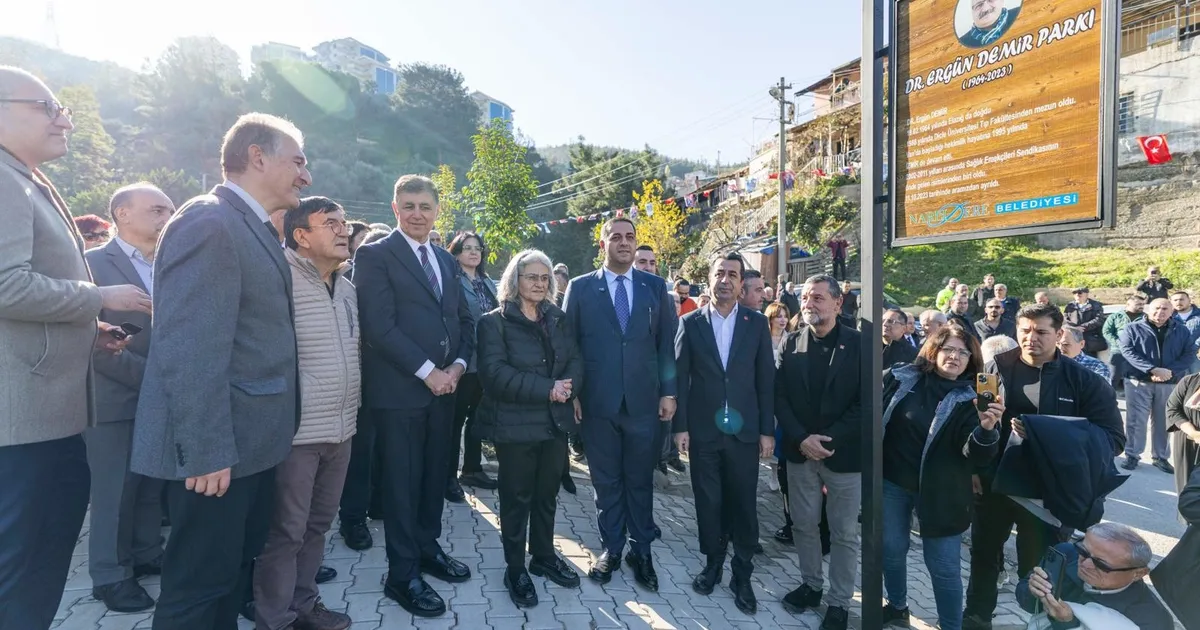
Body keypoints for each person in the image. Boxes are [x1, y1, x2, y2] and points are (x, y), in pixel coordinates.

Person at [131, 113, 310, 629]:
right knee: (197, 589)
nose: (306, 175)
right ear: (258, 156)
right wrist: (207, 450)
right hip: (216, 457)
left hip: (246, 448)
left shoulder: (247, 224)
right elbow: (189, 348)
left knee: (226, 583)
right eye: (297, 160)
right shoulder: (209, 221)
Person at [0, 67, 151, 630]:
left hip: (51, 411)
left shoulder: (25, 176)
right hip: (22, 422)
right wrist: (98, 297)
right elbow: (4, 284)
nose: (65, 117)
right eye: (47, 106)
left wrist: (91, 331)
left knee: (39, 565)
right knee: (21, 567)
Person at [354, 174, 476, 618]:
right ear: (395, 208)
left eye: (425, 206)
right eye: (409, 206)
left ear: (437, 210)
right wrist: (428, 373)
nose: (417, 214)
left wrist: (458, 367)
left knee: (431, 480)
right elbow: (378, 326)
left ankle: (427, 549)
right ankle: (401, 575)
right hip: (401, 392)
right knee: (402, 486)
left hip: (444, 391)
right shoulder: (375, 255)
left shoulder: (445, 260)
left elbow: (462, 320)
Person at [964, 303, 1125, 630]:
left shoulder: (1082, 380)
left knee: (1040, 574)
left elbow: (1113, 439)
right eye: (1024, 330)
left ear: (1059, 333)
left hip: (1049, 496)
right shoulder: (993, 370)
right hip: (994, 488)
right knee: (983, 561)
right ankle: (976, 620)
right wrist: (973, 471)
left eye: (1041, 332)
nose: (1030, 338)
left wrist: (1048, 433)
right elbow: (970, 424)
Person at [252, 197, 360, 630]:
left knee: (318, 527)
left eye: (345, 223)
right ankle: (273, 619)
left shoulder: (347, 286)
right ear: (301, 236)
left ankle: (304, 605)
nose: (343, 231)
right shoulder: (280, 280)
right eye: (330, 224)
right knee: (286, 533)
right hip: (296, 434)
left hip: (341, 428)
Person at [561, 218, 678, 592]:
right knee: (606, 481)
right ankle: (611, 548)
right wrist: (575, 392)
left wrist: (669, 392)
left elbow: (665, 346)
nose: (624, 243)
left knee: (640, 480)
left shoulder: (656, 287)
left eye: (630, 237)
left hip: (644, 402)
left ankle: (641, 551)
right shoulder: (580, 288)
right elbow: (569, 346)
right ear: (603, 243)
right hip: (597, 402)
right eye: (616, 237)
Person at [83, 183, 174, 613]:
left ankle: (145, 553)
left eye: (169, 210)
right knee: (114, 491)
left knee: (149, 483)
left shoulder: (171, 262)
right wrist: (154, 378)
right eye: (156, 210)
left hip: (161, 396)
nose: (166, 218)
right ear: (122, 214)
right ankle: (110, 575)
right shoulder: (93, 264)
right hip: (114, 398)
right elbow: (90, 342)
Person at [475, 249, 583, 608]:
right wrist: (548, 389)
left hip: (554, 424)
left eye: (544, 278)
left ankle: (543, 556)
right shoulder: (493, 322)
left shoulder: (558, 317)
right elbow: (495, 375)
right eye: (531, 277)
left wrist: (570, 386)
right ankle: (515, 567)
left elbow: (575, 358)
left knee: (546, 496)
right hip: (515, 426)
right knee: (516, 498)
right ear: (514, 280)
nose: (538, 283)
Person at [880, 326, 1003, 630]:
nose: (955, 356)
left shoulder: (973, 397)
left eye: (964, 352)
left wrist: (987, 429)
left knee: (944, 567)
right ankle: (896, 606)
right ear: (933, 350)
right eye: (949, 348)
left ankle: (950, 626)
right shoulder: (901, 378)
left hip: (943, 493)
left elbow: (975, 454)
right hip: (893, 483)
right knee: (891, 549)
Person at [673, 253, 775, 615]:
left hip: (745, 433)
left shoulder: (757, 323)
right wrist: (680, 426)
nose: (726, 280)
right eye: (720, 273)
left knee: (744, 503)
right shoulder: (690, 322)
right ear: (710, 278)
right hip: (702, 431)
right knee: (708, 501)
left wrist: (767, 431)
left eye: (732, 274)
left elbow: (766, 380)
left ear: (741, 282)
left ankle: (742, 573)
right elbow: (680, 378)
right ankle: (713, 562)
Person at [776, 274, 862, 630]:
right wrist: (801, 438)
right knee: (804, 525)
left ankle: (839, 602)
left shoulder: (862, 344)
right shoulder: (791, 342)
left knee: (843, 533)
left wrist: (825, 440)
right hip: (800, 453)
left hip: (843, 455)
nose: (809, 303)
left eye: (818, 298)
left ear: (838, 303)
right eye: (806, 297)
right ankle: (811, 584)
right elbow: (779, 396)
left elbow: (865, 403)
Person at [1017, 523, 1173, 629]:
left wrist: (1068, 622)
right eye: (1083, 552)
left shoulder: (1152, 621)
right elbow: (1025, 601)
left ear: (1138, 573)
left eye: (1102, 565)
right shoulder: (1066, 555)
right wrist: (1033, 591)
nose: (1085, 564)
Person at [446, 232, 499, 500]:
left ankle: (472, 469)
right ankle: (448, 476)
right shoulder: (452, 281)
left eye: (477, 248)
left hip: (488, 362)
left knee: (477, 418)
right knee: (455, 420)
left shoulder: (488, 281)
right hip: (464, 360)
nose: (473, 253)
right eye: (467, 248)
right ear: (455, 253)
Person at [1119, 297, 1193, 474]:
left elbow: (1189, 354)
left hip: (1169, 382)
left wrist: (1168, 372)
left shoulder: (1181, 330)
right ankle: (1132, 455)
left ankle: (1160, 457)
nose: (1160, 312)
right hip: (1139, 380)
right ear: (1147, 309)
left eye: (1165, 309)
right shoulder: (1132, 328)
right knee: (1136, 420)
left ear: (1171, 311)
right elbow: (1127, 351)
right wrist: (1152, 369)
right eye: (1157, 308)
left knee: (1163, 420)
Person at [1167, 356, 1200, 517]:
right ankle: (1187, 530)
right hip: (1187, 442)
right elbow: (1173, 409)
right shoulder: (1189, 381)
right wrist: (1193, 432)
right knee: (1186, 490)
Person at [1102, 294, 1146, 390]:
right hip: (1118, 352)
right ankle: (1108, 398)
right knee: (1113, 377)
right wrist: (1118, 343)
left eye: (1143, 304)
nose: (1141, 306)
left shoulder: (1146, 318)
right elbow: (1107, 332)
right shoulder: (1116, 316)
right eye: (1138, 304)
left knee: (1138, 378)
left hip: (1138, 353)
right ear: (1128, 304)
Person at [1063, 287, 1106, 357]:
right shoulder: (1070, 306)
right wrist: (1075, 329)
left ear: (1086, 294)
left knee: (1090, 363)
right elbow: (1065, 320)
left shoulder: (1096, 305)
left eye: (1080, 293)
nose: (1077, 295)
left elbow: (1099, 320)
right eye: (1074, 293)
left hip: (1090, 341)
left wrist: (1083, 327)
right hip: (1074, 339)